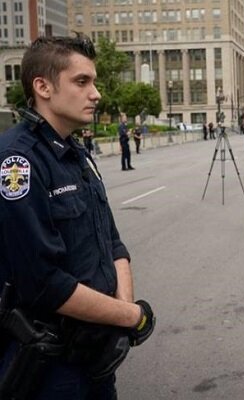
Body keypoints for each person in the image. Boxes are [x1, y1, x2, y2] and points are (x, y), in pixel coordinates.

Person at [0, 34, 155, 400]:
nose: (96, 93)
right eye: (82, 81)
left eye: (94, 81)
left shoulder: (77, 154)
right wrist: (132, 318)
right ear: (43, 87)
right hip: (51, 367)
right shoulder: (18, 162)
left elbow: (113, 243)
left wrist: (121, 313)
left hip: (97, 353)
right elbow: (43, 282)